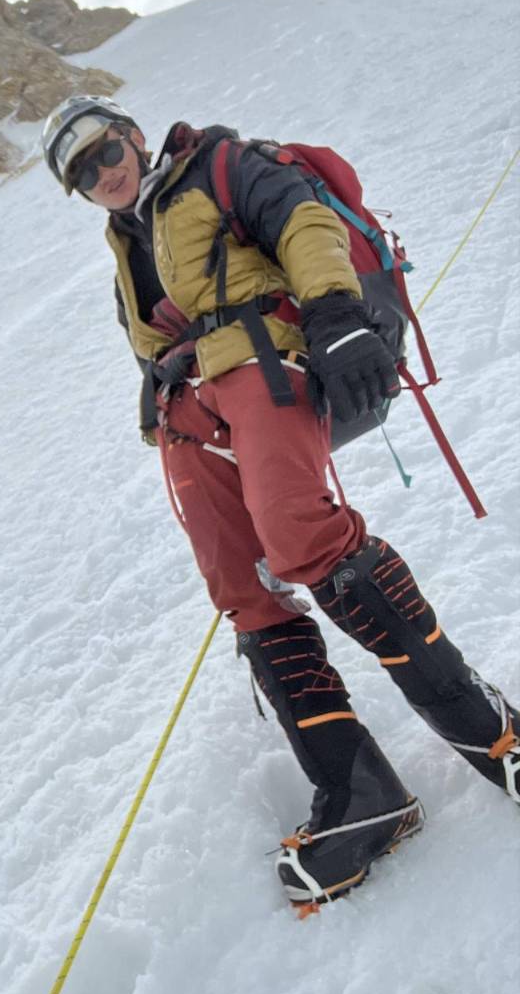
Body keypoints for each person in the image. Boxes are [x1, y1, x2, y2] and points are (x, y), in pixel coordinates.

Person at [41, 96, 519, 912]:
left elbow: (301, 224)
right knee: (242, 589)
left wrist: (335, 314)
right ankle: (359, 794)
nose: (104, 172)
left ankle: (489, 731)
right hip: (189, 412)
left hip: (265, 359)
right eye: (82, 173)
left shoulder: (217, 168)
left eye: (106, 150)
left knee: (302, 538)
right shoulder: (127, 243)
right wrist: (160, 384)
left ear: (131, 133)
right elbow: (149, 341)